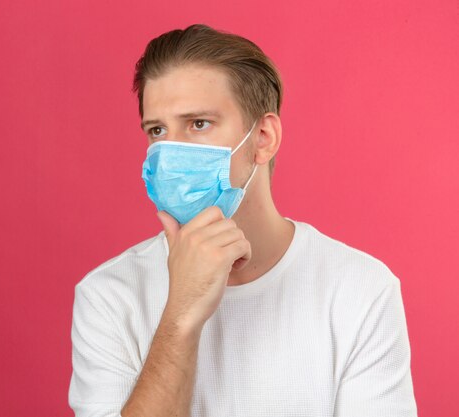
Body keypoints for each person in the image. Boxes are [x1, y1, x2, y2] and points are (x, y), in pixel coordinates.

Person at [68, 24, 418, 417]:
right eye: (157, 130)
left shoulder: (360, 289)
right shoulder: (108, 296)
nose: (170, 150)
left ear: (263, 137)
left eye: (198, 123)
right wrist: (181, 315)